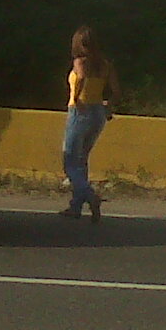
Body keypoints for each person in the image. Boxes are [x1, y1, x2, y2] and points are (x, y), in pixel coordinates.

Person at [60, 25, 121, 221]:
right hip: (97, 112)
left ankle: (90, 196)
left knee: (69, 161)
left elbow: (80, 79)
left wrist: (77, 99)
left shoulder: (80, 62)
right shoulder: (105, 64)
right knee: (82, 160)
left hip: (81, 111)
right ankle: (76, 206)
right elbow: (116, 90)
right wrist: (108, 105)